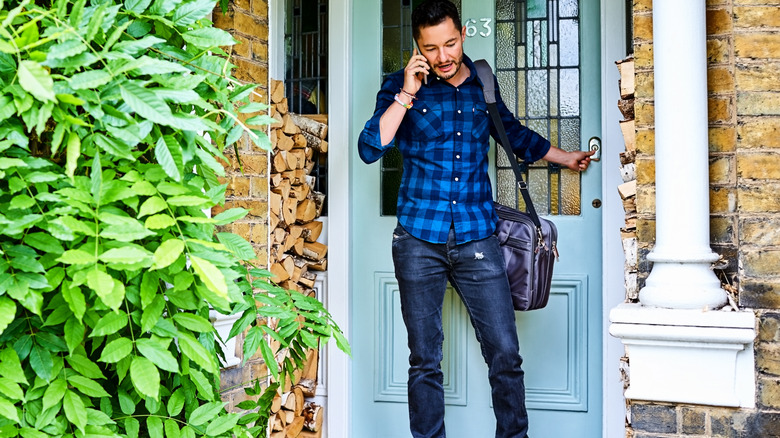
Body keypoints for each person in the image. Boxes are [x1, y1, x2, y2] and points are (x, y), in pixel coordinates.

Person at [357, 1, 594, 437]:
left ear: (463, 34)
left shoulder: (482, 82)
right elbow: (371, 147)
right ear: (417, 47)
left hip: (477, 237)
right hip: (417, 239)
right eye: (431, 48)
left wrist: (563, 156)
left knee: (506, 353)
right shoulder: (398, 86)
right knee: (424, 359)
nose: (443, 56)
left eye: (450, 43)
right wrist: (407, 93)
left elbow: (512, 133)